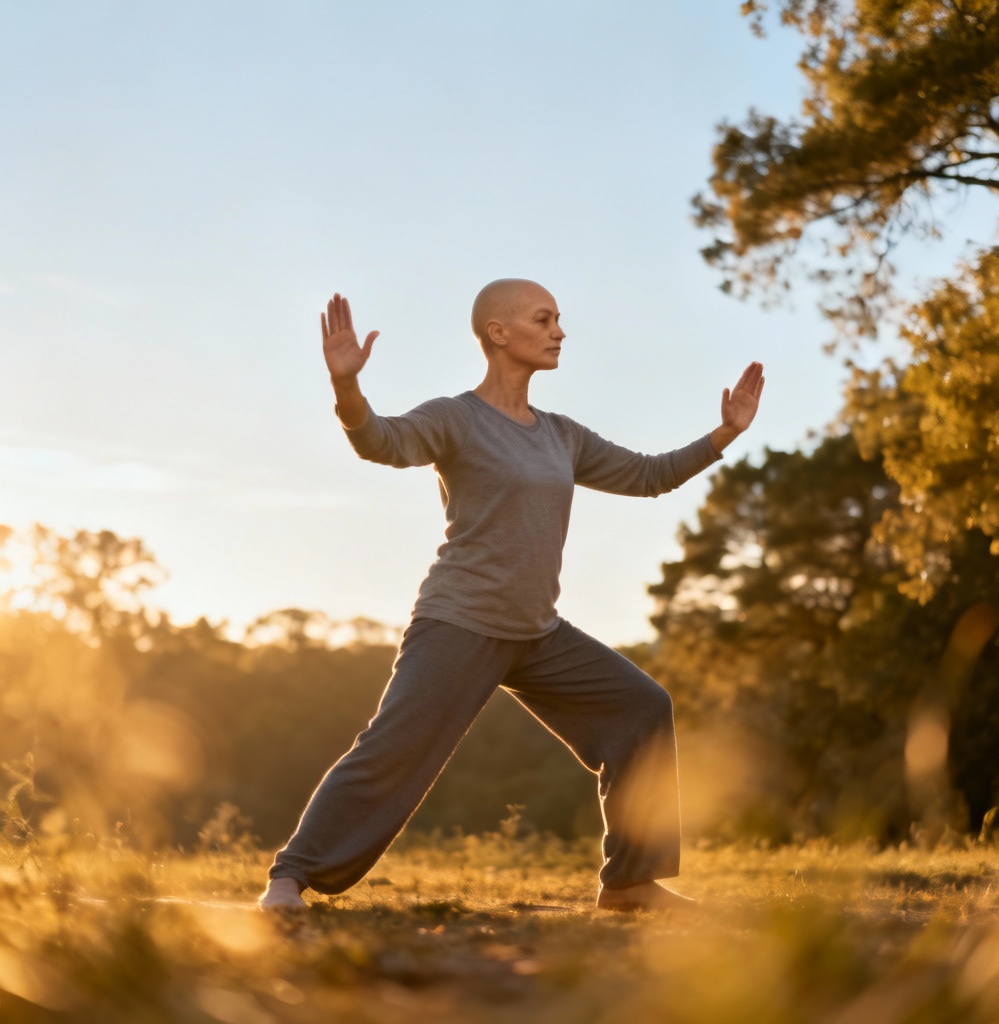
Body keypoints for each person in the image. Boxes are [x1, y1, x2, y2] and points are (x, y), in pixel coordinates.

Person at [259, 280, 764, 913]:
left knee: (641, 707)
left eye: (558, 320)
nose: (559, 331)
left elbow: (648, 476)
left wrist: (723, 435)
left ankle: (633, 883)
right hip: (461, 620)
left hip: (537, 633)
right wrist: (346, 388)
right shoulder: (456, 418)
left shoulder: (561, 435)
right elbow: (380, 443)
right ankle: (290, 877)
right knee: (391, 750)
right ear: (499, 333)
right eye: (544, 319)